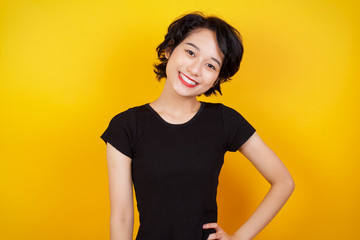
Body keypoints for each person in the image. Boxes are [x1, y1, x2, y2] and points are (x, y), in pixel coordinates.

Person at [100, 12, 295, 240]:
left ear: (217, 79)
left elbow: (283, 182)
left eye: (210, 65)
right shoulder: (126, 126)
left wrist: (240, 237)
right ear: (170, 50)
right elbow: (122, 217)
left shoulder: (224, 121)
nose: (194, 69)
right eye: (190, 52)